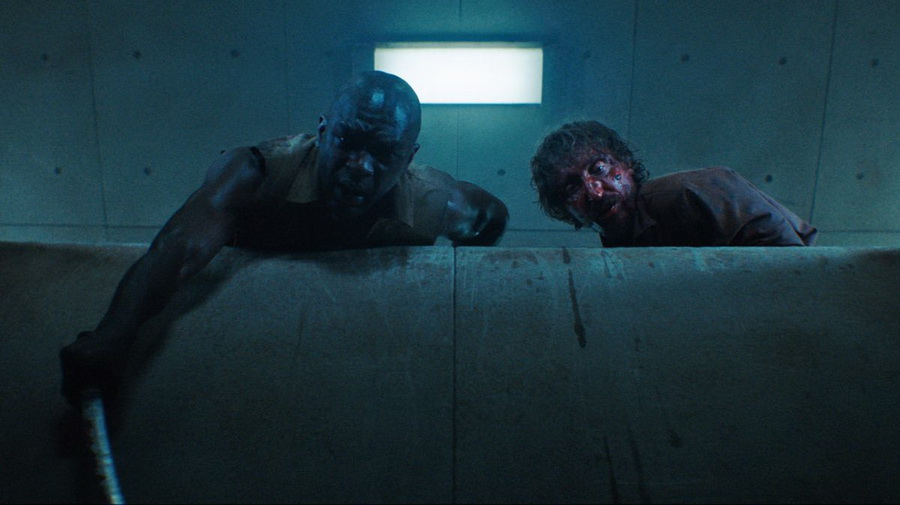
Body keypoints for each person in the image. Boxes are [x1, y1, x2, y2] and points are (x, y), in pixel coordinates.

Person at [60, 71, 509, 405]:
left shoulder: (434, 200)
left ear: (408, 158)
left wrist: (453, 311)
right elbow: (181, 249)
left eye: (382, 153)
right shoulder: (258, 172)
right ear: (322, 133)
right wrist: (115, 334)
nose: (359, 166)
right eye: (347, 141)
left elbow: (491, 216)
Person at [530, 120, 817, 247]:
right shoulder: (619, 239)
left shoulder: (682, 193)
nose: (594, 192)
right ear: (567, 211)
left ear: (625, 164)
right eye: (573, 189)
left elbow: (782, 247)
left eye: (600, 169)